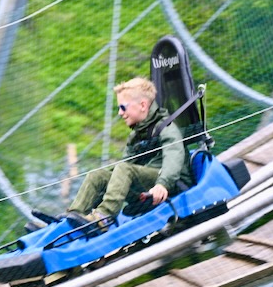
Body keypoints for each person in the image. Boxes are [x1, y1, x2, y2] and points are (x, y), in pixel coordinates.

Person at [66, 77, 194, 230]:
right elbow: (122, 171)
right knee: (97, 176)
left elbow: (174, 156)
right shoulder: (136, 136)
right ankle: (73, 216)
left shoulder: (166, 127)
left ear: (142, 105)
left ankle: (103, 217)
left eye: (123, 107)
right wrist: (104, 184)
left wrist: (163, 184)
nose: (120, 113)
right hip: (146, 184)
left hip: (171, 183)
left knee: (124, 169)